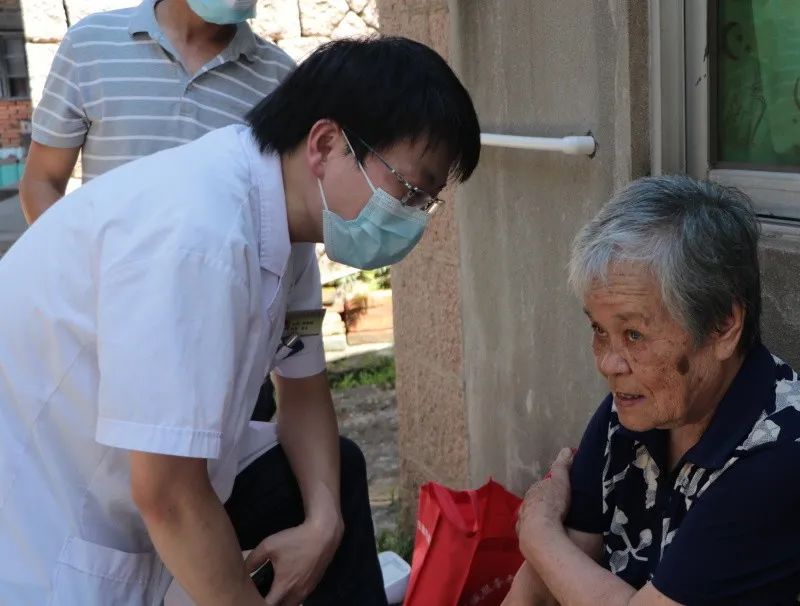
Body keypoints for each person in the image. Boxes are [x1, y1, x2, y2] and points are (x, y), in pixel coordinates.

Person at [0, 35, 481, 606]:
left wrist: (323, 525)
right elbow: (167, 495)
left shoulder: (287, 217)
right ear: (326, 143)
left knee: (335, 476)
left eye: (425, 202)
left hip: (146, 480)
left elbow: (302, 388)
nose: (411, 219)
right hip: (52, 522)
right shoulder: (198, 236)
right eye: (407, 188)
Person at [505, 176, 800, 605]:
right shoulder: (637, 409)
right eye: (599, 330)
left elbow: (555, 557)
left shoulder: (789, 454)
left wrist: (538, 533)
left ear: (723, 326)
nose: (608, 364)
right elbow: (541, 586)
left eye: (634, 334)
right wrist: (545, 551)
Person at [19, 0, 297, 422]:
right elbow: (42, 182)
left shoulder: (279, 78)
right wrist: (86, 283)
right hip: (108, 349)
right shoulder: (90, 46)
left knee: (233, 484)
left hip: (224, 353)